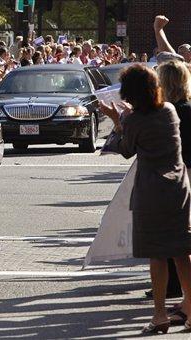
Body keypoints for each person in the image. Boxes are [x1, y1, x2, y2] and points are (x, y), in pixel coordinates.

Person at [99, 64, 191, 334]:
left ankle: (160, 315)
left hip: (150, 192)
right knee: (181, 251)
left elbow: (126, 149)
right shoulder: (170, 111)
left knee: (156, 254)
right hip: (178, 187)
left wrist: (118, 122)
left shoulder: (135, 120)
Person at [156, 60, 191, 325]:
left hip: (183, 181)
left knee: (181, 249)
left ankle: (188, 307)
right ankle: (187, 302)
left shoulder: (172, 112)